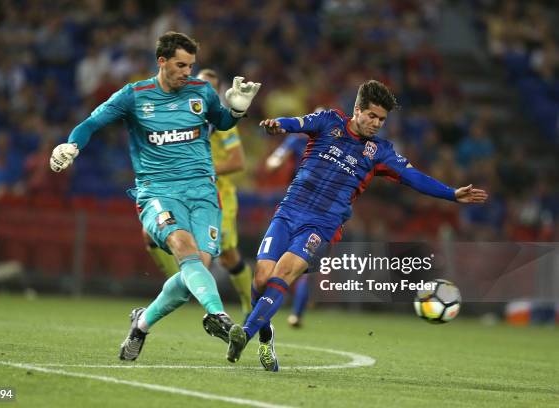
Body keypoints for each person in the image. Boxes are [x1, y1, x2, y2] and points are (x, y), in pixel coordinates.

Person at [230, 79, 487, 371]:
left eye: (382, 119)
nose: (377, 123)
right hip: (289, 211)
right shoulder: (329, 121)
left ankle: (245, 334)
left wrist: (451, 194)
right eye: (372, 116)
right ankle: (265, 333)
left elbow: (416, 178)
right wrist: (278, 125)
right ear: (357, 110)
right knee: (262, 279)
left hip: (322, 225)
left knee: (285, 272)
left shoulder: (380, 152)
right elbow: (296, 122)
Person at [49, 32, 260, 362]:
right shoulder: (134, 95)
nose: (186, 72)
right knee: (184, 248)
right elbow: (91, 123)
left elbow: (221, 122)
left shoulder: (201, 92)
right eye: (180, 65)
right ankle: (219, 316)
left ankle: (141, 324)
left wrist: (236, 110)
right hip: (158, 192)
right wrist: (72, 144)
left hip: (204, 191)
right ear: (161, 62)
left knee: (197, 269)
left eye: (191, 66)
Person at [144, 68, 253, 319]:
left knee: (226, 256)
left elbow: (238, 161)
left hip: (219, 195)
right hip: (184, 189)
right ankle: (179, 285)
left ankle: (249, 305)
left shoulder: (224, 123)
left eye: (212, 88)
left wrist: (202, 169)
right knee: (150, 233)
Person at [266, 132, 310, 328]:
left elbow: (273, 162)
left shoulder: (297, 140)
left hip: (294, 205)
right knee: (306, 266)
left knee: (275, 260)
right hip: (319, 209)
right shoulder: (341, 144)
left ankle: (262, 311)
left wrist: (276, 162)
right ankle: (296, 315)